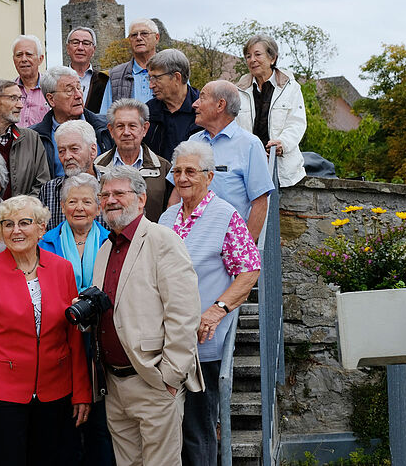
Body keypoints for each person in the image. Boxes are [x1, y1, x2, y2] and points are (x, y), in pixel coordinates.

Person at [0, 195, 92, 466]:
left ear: (41, 228)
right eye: (8, 224)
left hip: (55, 392)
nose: (16, 230)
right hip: (0, 396)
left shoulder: (62, 269)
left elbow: (73, 336)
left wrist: (81, 391)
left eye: (25, 223)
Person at [158, 141, 260, 466]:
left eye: (191, 171)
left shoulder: (225, 216)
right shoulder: (167, 217)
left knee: (197, 430)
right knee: (165, 430)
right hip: (166, 341)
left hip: (202, 346)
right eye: (177, 171)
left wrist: (218, 309)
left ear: (209, 176)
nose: (183, 178)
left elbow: (248, 271)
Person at [93, 166, 203, 466]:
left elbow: (184, 314)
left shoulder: (163, 240)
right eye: (105, 195)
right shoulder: (105, 248)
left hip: (153, 380)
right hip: (115, 384)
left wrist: (170, 376)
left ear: (141, 200)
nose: (110, 200)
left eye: (119, 193)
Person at [39, 173, 113, 466]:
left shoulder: (112, 240)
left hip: (102, 336)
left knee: (101, 420)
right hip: (60, 334)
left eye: (87, 201)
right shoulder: (45, 242)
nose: (79, 208)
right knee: (65, 416)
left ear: (98, 207)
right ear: (62, 206)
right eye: (72, 202)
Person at [190, 80, 275, 241]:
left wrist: (243, 250)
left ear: (220, 105)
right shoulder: (191, 143)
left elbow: (260, 203)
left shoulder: (250, 145)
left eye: (202, 98)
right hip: (189, 243)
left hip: (227, 245)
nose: (195, 104)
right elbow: (176, 195)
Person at [236, 34, 307, 187]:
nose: (252, 60)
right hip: (247, 168)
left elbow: (297, 123)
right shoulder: (239, 89)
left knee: (275, 210)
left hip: (280, 168)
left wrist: (283, 144)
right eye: (248, 56)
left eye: (257, 54)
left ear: (272, 58)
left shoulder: (291, 87)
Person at [96, 98, 172, 222]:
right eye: (120, 126)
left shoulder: (163, 168)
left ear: (145, 129)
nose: (126, 132)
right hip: (109, 240)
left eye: (132, 126)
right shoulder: (97, 167)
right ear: (111, 130)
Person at [32, 66, 112, 178]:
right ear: (51, 99)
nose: (78, 95)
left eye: (79, 88)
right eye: (69, 90)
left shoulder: (105, 127)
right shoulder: (35, 137)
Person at [38, 120, 105, 229]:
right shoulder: (49, 190)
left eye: (74, 149)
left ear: (93, 150)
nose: (67, 156)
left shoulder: (109, 188)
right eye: (61, 151)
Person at [143, 49, 202, 161]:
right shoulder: (147, 112)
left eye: (156, 78)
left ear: (176, 77)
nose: (151, 85)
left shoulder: (204, 111)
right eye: (150, 78)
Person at [99, 18, 160, 113]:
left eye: (144, 33)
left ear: (156, 38)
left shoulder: (172, 70)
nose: (139, 38)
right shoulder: (115, 75)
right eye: (134, 35)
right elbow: (105, 116)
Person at [12, 34, 49, 127]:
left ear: (40, 59)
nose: (24, 59)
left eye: (29, 54)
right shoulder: (6, 92)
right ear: (13, 60)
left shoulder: (52, 90)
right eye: (19, 55)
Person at [65, 26, 102, 110]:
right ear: (67, 48)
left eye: (86, 43)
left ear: (93, 50)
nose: (80, 48)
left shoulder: (104, 80)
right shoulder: (57, 80)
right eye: (75, 42)